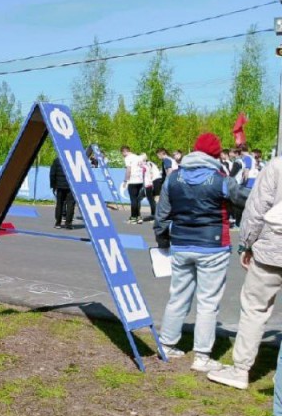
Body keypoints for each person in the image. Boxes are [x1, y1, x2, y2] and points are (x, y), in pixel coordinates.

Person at [153, 133, 245, 371]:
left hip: (181, 245)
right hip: (213, 246)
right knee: (208, 303)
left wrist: (162, 241)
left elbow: (161, 215)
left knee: (178, 296)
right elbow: (244, 200)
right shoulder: (221, 179)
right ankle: (202, 356)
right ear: (215, 155)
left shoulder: (173, 177)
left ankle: (167, 344)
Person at [208, 154, 282, 392]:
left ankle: (240, 370)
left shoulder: (277, 166)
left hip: (273, 247)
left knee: (254, 308)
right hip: (272, 247)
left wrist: (246, 243)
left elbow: (257, 208)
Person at [49, 155, 75, 229]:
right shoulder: (73, 160)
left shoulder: (57, 160)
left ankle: (58, 223)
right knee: (70, 204)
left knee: (59, 204)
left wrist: (53, 185)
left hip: (59, 186)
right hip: (71, 186)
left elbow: (52, 173)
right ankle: (68, 223)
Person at [121, 146, 145, 223]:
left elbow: (128, 170)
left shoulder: (128, 158)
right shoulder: (138, 157)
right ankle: (138, 217)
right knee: (138, 200)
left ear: (124, 152)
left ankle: (133, 218)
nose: (123, 155)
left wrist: (125, 181)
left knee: (133, 199)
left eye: (122, 153)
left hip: (133, 181)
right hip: (140, 180)